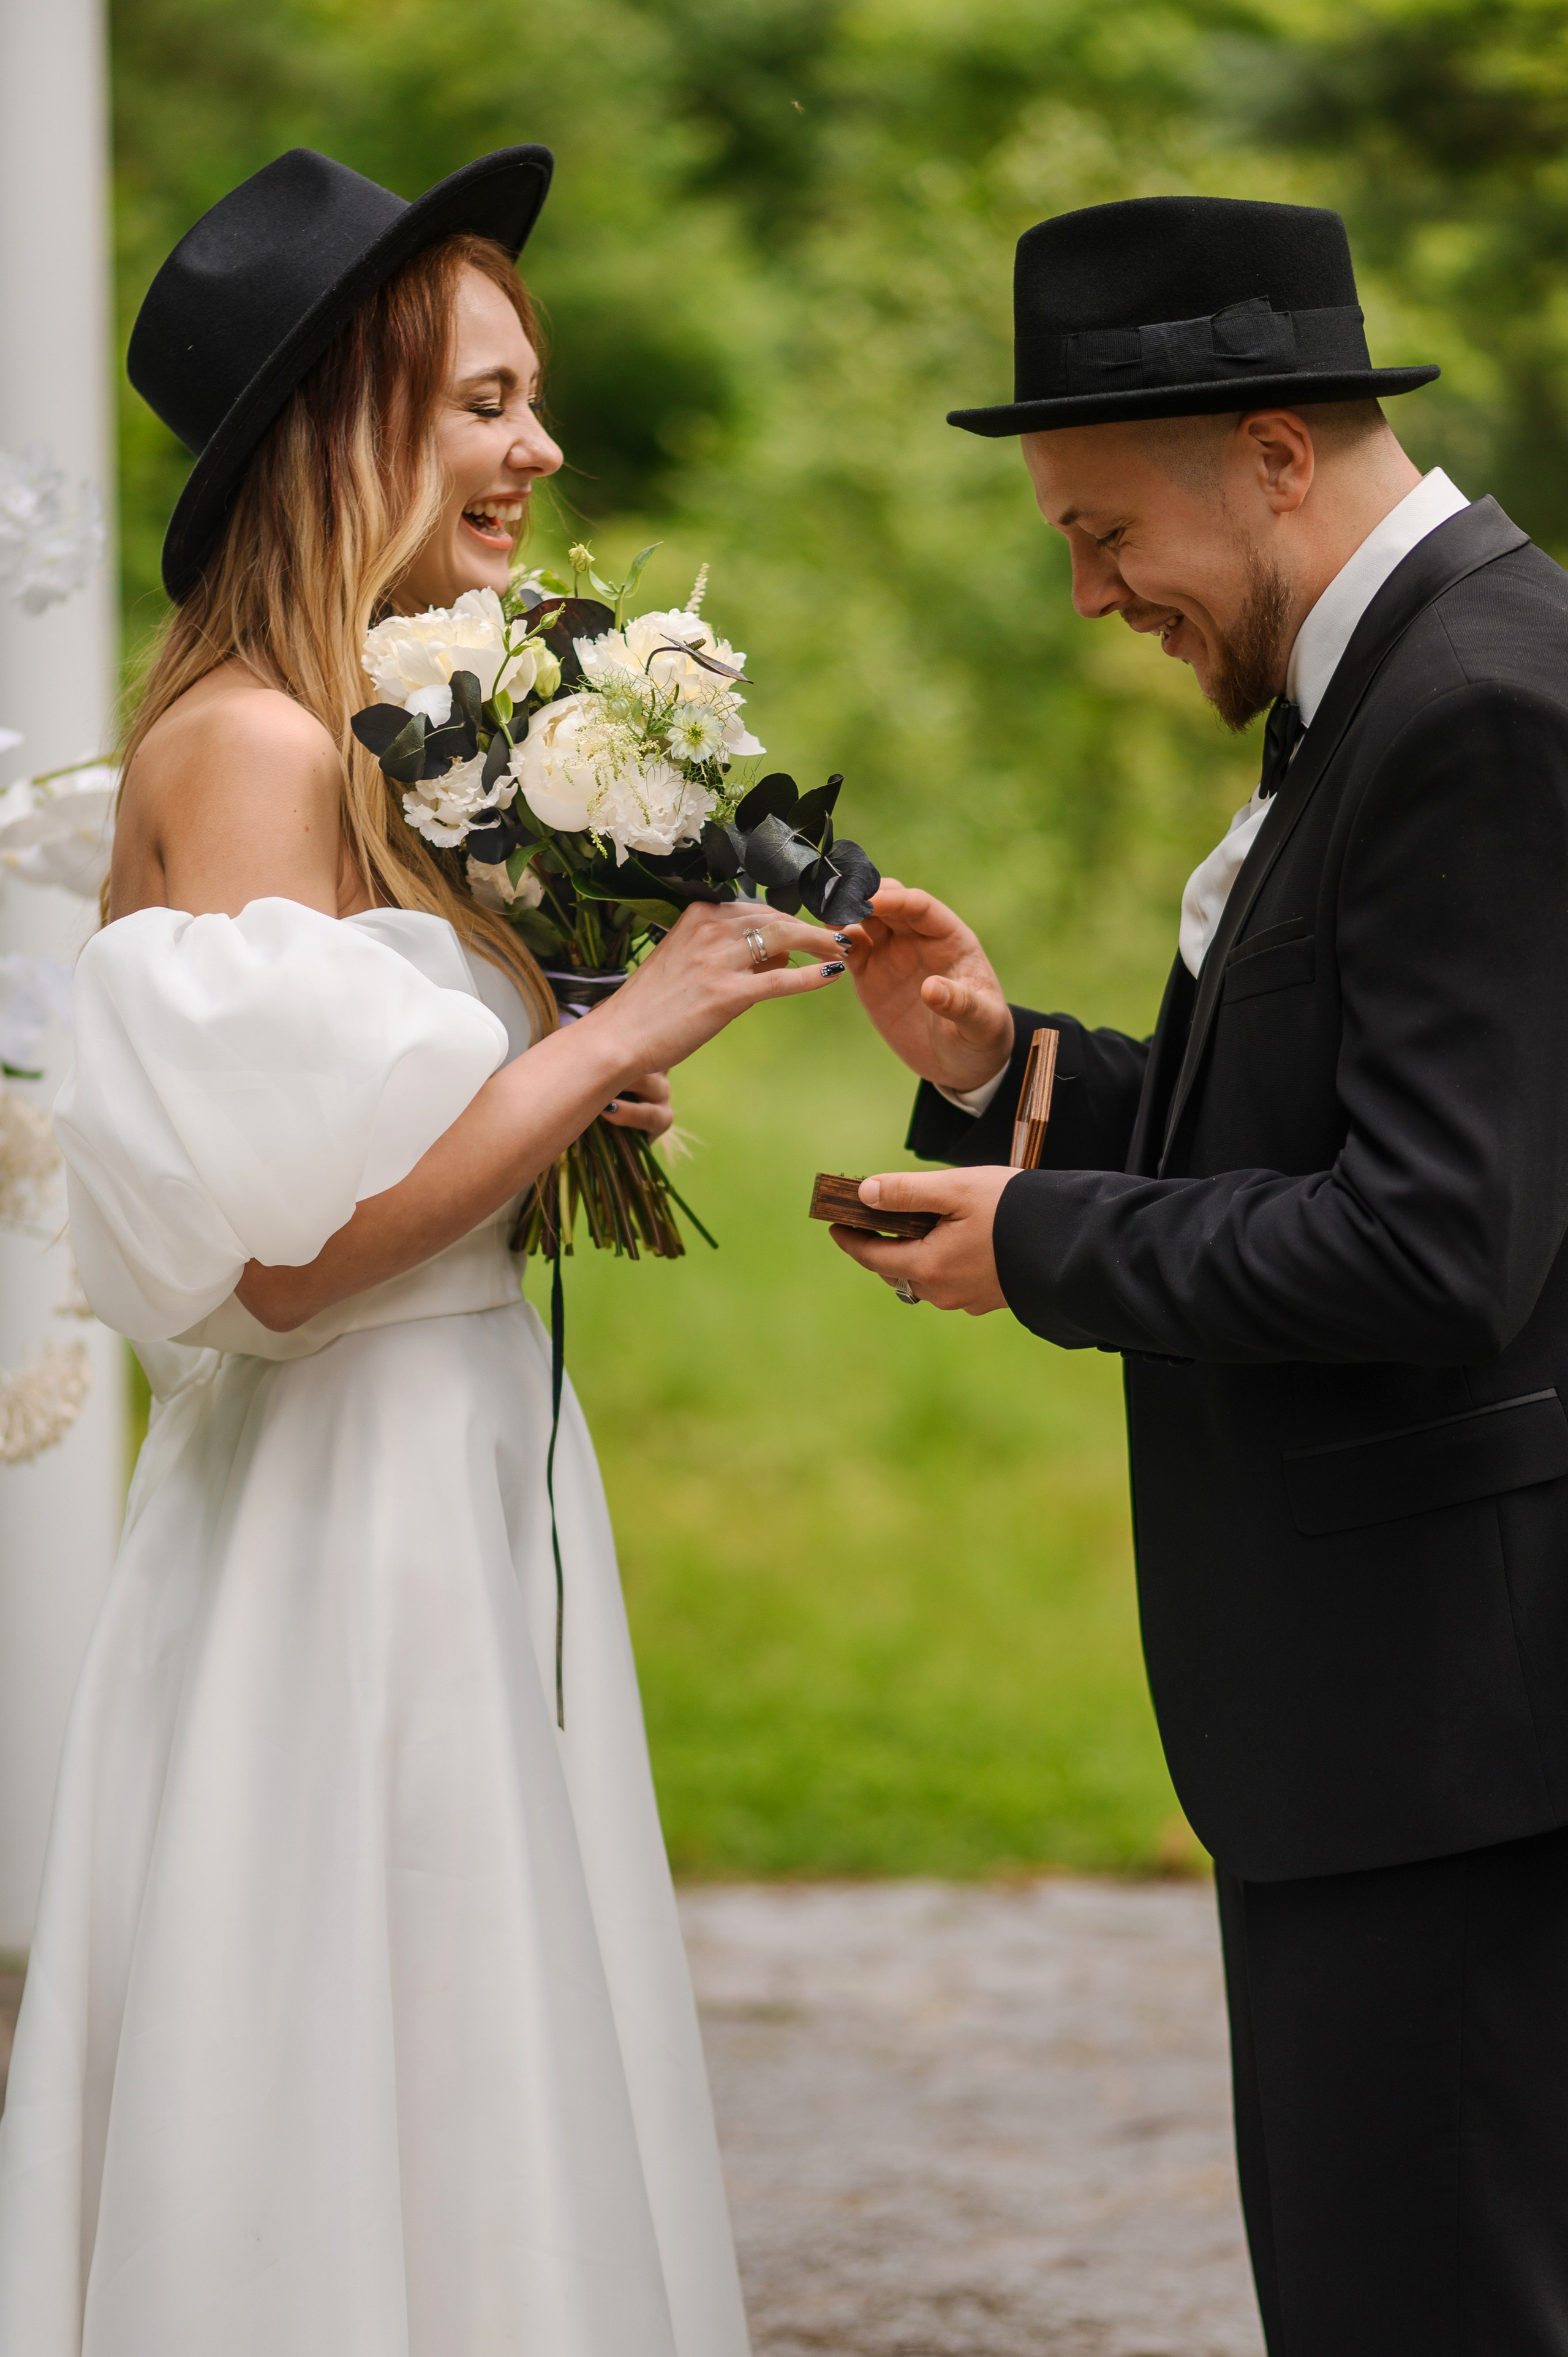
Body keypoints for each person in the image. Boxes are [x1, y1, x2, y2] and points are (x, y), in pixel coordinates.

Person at [0, 147, 846, 2357]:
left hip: (445, 1469)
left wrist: (554, 1084)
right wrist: (617, 1039)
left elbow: (371, 1151)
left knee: (469, 2032)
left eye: (527, 398)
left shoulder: (363, 750)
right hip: (346, 1514)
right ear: (342, 430)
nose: (537, 449)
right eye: (486, 402)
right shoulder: (255, 748)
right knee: (358, 2021)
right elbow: (288, 1270)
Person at [832, 195, 1568, 2353]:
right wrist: (1008, 1075)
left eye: (1104, 533)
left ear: (1270, 455)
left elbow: (1435, 1240)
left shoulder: (1480, 706)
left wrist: (1042, 1244)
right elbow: (1337, 1131)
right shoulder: (1392, 685)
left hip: (1455, 1743)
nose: (1091, 594)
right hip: (1400, 1731)